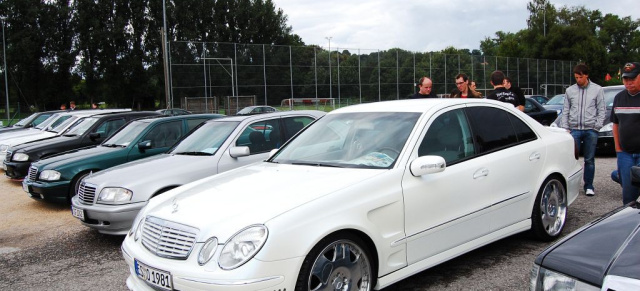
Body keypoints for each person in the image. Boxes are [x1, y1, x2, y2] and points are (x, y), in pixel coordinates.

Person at [560, 63, 605, 197]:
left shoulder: (597, 90)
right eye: (576, 77)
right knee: (571, 159)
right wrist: (565, 128)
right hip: (574, 129)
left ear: (586, 75)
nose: (578, 80)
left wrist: (597, 127)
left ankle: (589, 186)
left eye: (580, 77)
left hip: (591, 129)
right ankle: (569, 187)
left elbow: (601, 110)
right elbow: (566, 110)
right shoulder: (570, 91)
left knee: (589, 159)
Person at [610, 61, 640, 204]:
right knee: (629, 196)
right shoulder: (619, 98)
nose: (628, 82)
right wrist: (618, 149)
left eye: (632, 79)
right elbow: (615, 125)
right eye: (626, 79)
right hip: (625, 154)